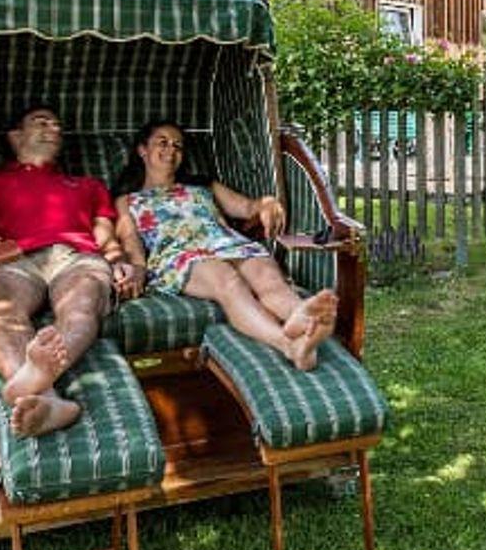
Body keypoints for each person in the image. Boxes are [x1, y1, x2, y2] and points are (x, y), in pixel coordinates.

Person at [0, 104, 142, 437]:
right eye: (41, 122)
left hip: (77, 257)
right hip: (11, 258)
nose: (53, 128)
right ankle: (47, 400)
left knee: (83, 303)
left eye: (57, 125)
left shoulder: (88, 185)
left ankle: (32, 386)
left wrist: (119, 261)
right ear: (15, 136)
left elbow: (105, 233)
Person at [111, 121, 337, 370]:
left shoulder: (203, 186)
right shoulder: (127, 200)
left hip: (227, 242)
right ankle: (288, 345)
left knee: (268, 278)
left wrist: (267, 202)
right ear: (142, 150)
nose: (171, 150)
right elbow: (130, 240)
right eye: (162, 143)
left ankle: (304, 320)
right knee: (228, 280)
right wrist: (138, 269)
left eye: (178, 146)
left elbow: (248, 207)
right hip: (180, 255)